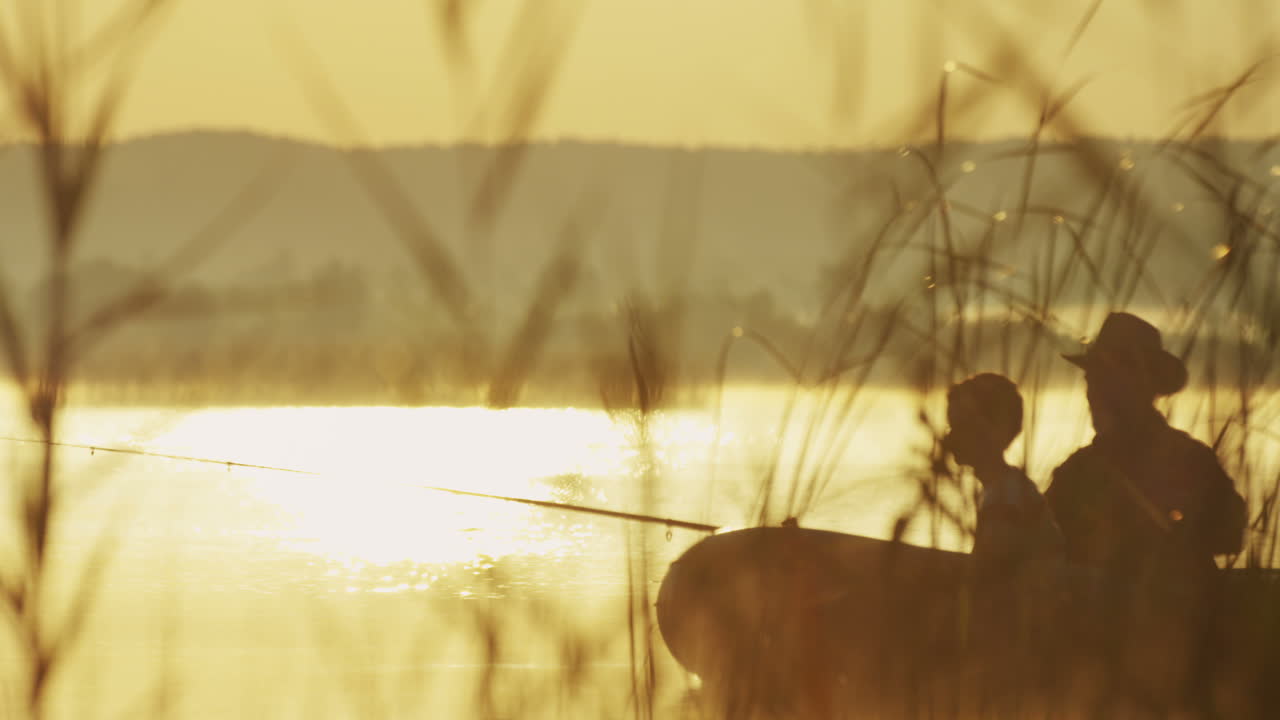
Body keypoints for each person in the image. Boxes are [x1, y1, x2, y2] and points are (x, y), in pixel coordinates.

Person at [1044, 312, 1246, 581]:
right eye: (1092, 379)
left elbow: (1230, 536)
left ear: (1142, 384)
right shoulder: (1076, 471)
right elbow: (1043, 547)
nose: (1093, 392)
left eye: (1106, 378)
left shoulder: (1189, 460)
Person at [943, 373, 1063, 581]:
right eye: (951, 426)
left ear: (996, 430)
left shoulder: (1006, 498)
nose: (949, 437)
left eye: (962, 425)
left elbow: (993, 576)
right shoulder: (1008, 488)